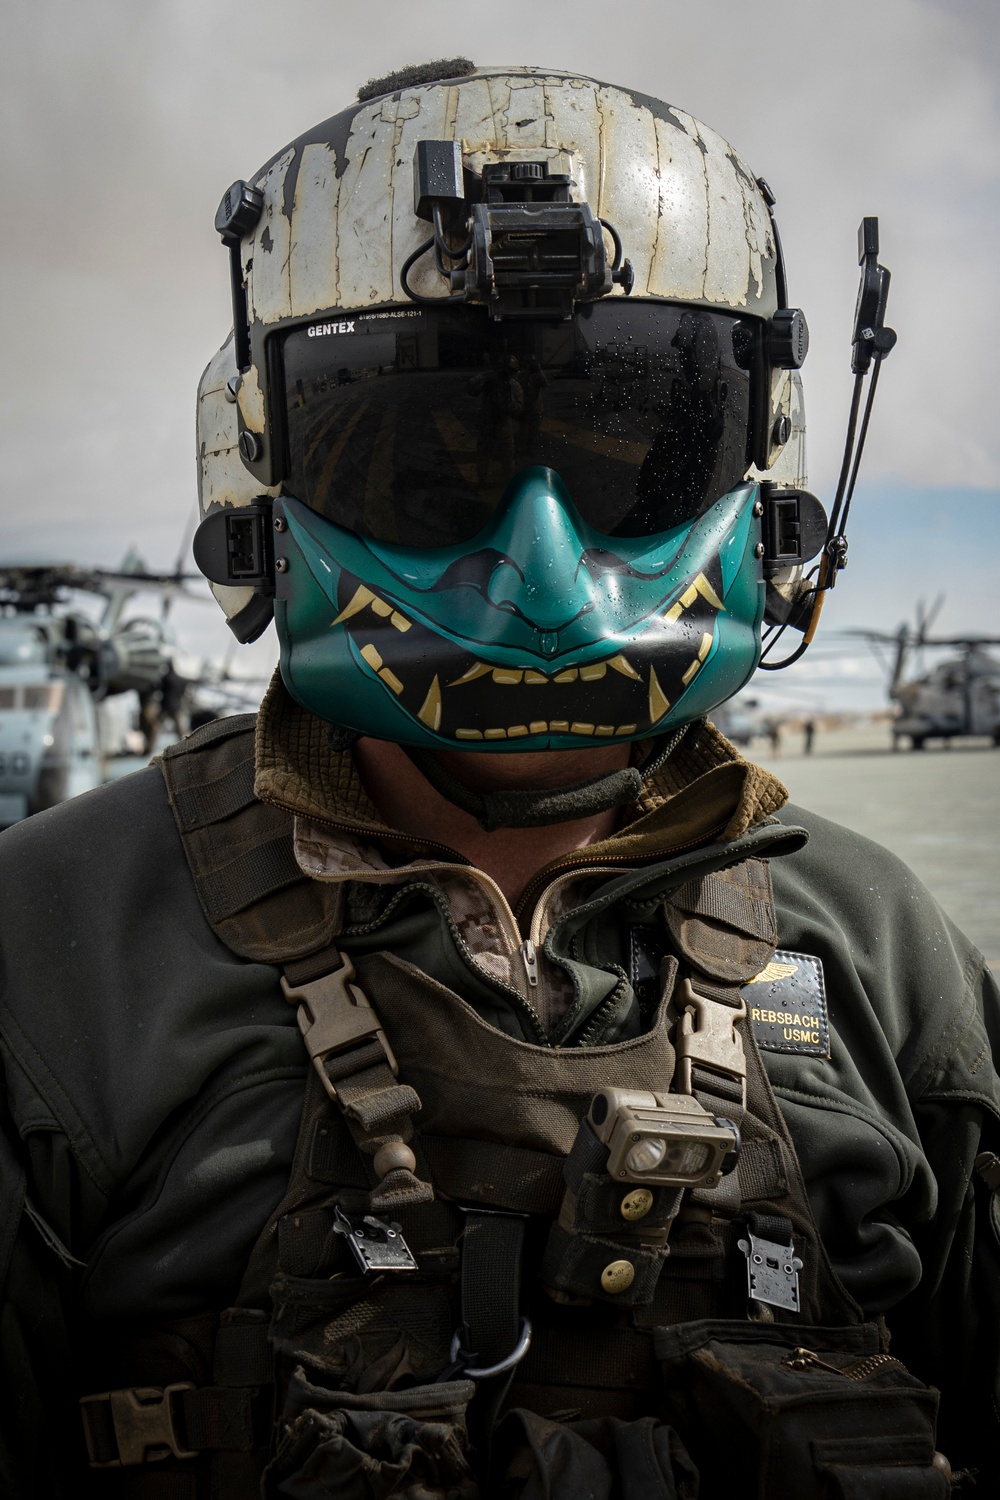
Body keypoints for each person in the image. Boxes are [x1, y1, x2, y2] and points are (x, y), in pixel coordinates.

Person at [0, 60, 997, 1499]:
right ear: (258, 475)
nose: (537, 573)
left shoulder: (885, 956)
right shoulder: (50, 963)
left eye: (629, 446)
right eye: (421, 457)